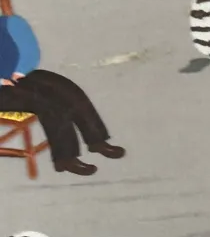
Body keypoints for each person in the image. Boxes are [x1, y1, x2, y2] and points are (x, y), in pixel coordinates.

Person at [0, 11, 125, 177]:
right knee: (46, 103)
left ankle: (96, 140)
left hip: (17, 76)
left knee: (65, 88)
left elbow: (30, 51)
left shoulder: (11, 23)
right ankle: (65, 158)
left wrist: (20, 72)